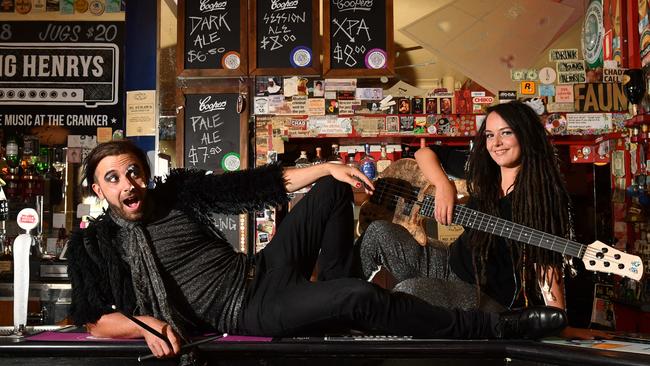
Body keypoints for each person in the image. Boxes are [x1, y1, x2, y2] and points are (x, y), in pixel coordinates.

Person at [68, 139, 567, 362]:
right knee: (355, 297)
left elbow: (260, 184)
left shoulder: (177, 195)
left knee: (331, 191)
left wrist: (327, 168)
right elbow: (92, 317)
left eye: (133, 171)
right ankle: (496, 325)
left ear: (143, 172)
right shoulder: (95, 243)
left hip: (261, 268)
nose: (127, 183)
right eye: (113, 178)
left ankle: (337, 293)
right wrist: (146, 324)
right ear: (97, 188)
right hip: (247, 309)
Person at [359, 101, 600, 338]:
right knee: (379, 232)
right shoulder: (484, 170)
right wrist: (444, 185)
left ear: (526, 135)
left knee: (408, 292)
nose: (496, 143)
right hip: (447, 263)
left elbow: (547, 263)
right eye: (489, 135)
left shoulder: (544, 196)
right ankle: (344, 308)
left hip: (484, 295)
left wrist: (557, 321)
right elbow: (424, 152)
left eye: (506, 133)